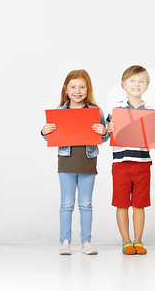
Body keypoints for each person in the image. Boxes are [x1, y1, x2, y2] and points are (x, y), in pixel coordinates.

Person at [42, 69, 109, 255]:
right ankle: (65, 241)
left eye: (81, 87)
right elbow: (50, 138)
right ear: (66, 89)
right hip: (66, 163)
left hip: (87, 162)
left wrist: (104, 132)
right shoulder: (59, 112)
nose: (77, 91)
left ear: (88, 90)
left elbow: (104, 138)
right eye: (73, 87)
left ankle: (86, 242)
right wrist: (44, 131)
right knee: (66, 203)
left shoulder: (95, 111)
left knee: (86, 203)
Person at [107, 65, 153, 255]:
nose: (136, 84)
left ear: (147, 86)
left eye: (141, 81)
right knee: (122, 203)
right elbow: (107, 133)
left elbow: (154, 138)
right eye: (132, 81)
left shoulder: (151, 111)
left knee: (140, 204)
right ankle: (126, 241)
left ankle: (138, 240)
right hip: (121, 164)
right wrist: (108, 128)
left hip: (143, 163)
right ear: (123, 85)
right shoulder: (116, 111)